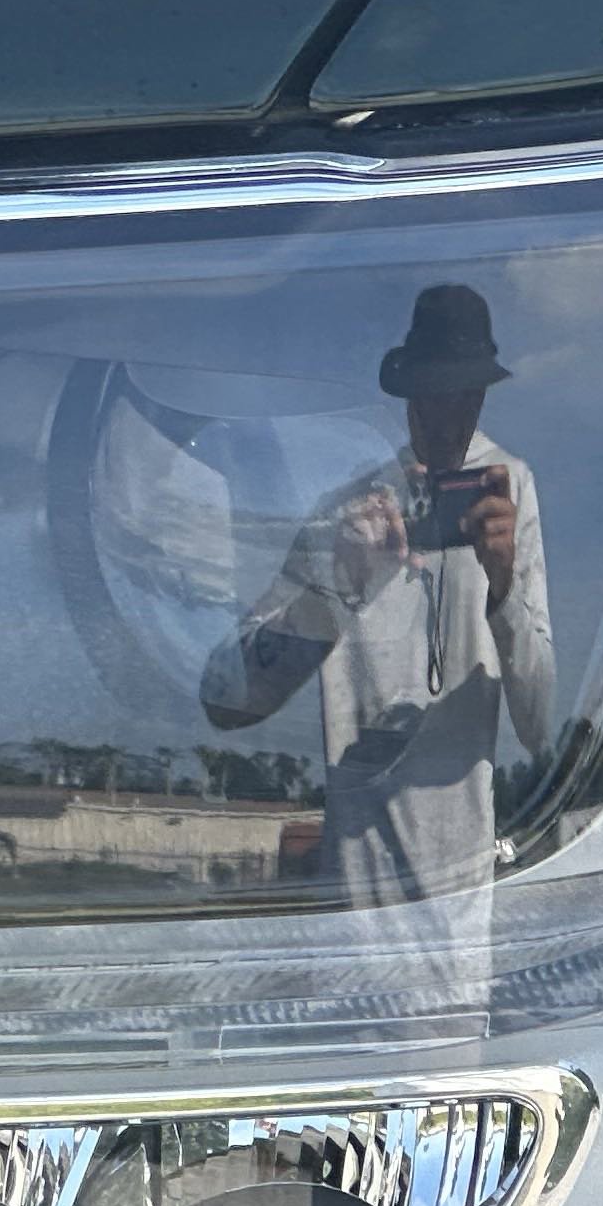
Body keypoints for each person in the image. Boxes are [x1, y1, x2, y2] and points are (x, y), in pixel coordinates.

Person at [202, 284, 554, 905]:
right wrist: (340, 583)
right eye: (435, 393)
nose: (448, 416)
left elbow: (539, 720)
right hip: (354, 891)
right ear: (409, 393)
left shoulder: (508, 489)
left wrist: (501, 585)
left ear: (482, 395)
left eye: (466, 394)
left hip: (458, 897)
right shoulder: (348, 509)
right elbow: (230, 700)